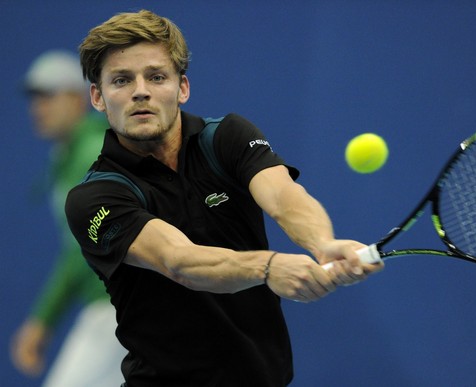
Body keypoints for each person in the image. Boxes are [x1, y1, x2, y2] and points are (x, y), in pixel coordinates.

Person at [65, 9, 383, 386]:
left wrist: (323, 243)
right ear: (98, 97)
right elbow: (179, 261)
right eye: (122, 80)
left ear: (182, 87)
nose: (141, 91)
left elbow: (283, 196)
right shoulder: (95, 197)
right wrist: (268, 267)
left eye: (156, 76)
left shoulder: (227, 138)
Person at [10, 50, 126, 387]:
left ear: (78, 100)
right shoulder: (69, 156)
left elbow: (82, 249)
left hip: (113, 308)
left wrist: (41, 320)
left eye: (48, 96)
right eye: (35, 98)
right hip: (120, 306)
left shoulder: (90, 153)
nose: (38, 108)